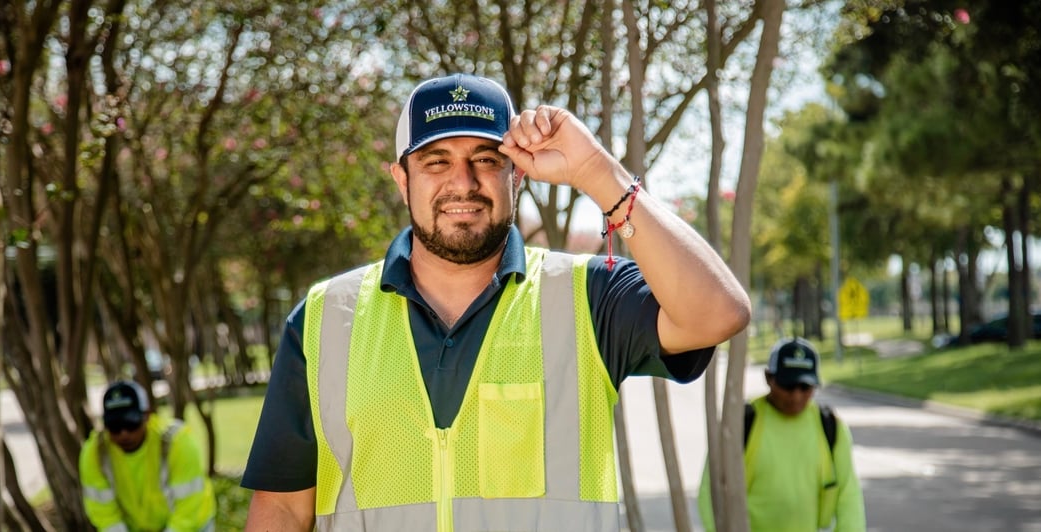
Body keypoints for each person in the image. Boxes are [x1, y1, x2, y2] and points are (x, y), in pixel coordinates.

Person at [241, 73, 750, 532]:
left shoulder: (589, 298)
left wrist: (596, 171)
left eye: (486, 160)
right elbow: (283, 509)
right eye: (436, 161)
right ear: (402, 180)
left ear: (518, 175)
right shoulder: (324, 317)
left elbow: (719, 313)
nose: (462, 183)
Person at [697, 338, 866, 532]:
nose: (796, 396)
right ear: (769, 378)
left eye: (805, 387)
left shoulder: (831, 427)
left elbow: (848, 498)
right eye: (788, 386)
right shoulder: (741, 423)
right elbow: (710, 492)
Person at [79, 380, 216, 531]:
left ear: (147, 416)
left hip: (193, 526)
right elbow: (103, 513)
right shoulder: (94, 453)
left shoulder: (178, 443)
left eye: (131, 424)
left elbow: (189, 509)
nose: (124, 434)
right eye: (115, 427)